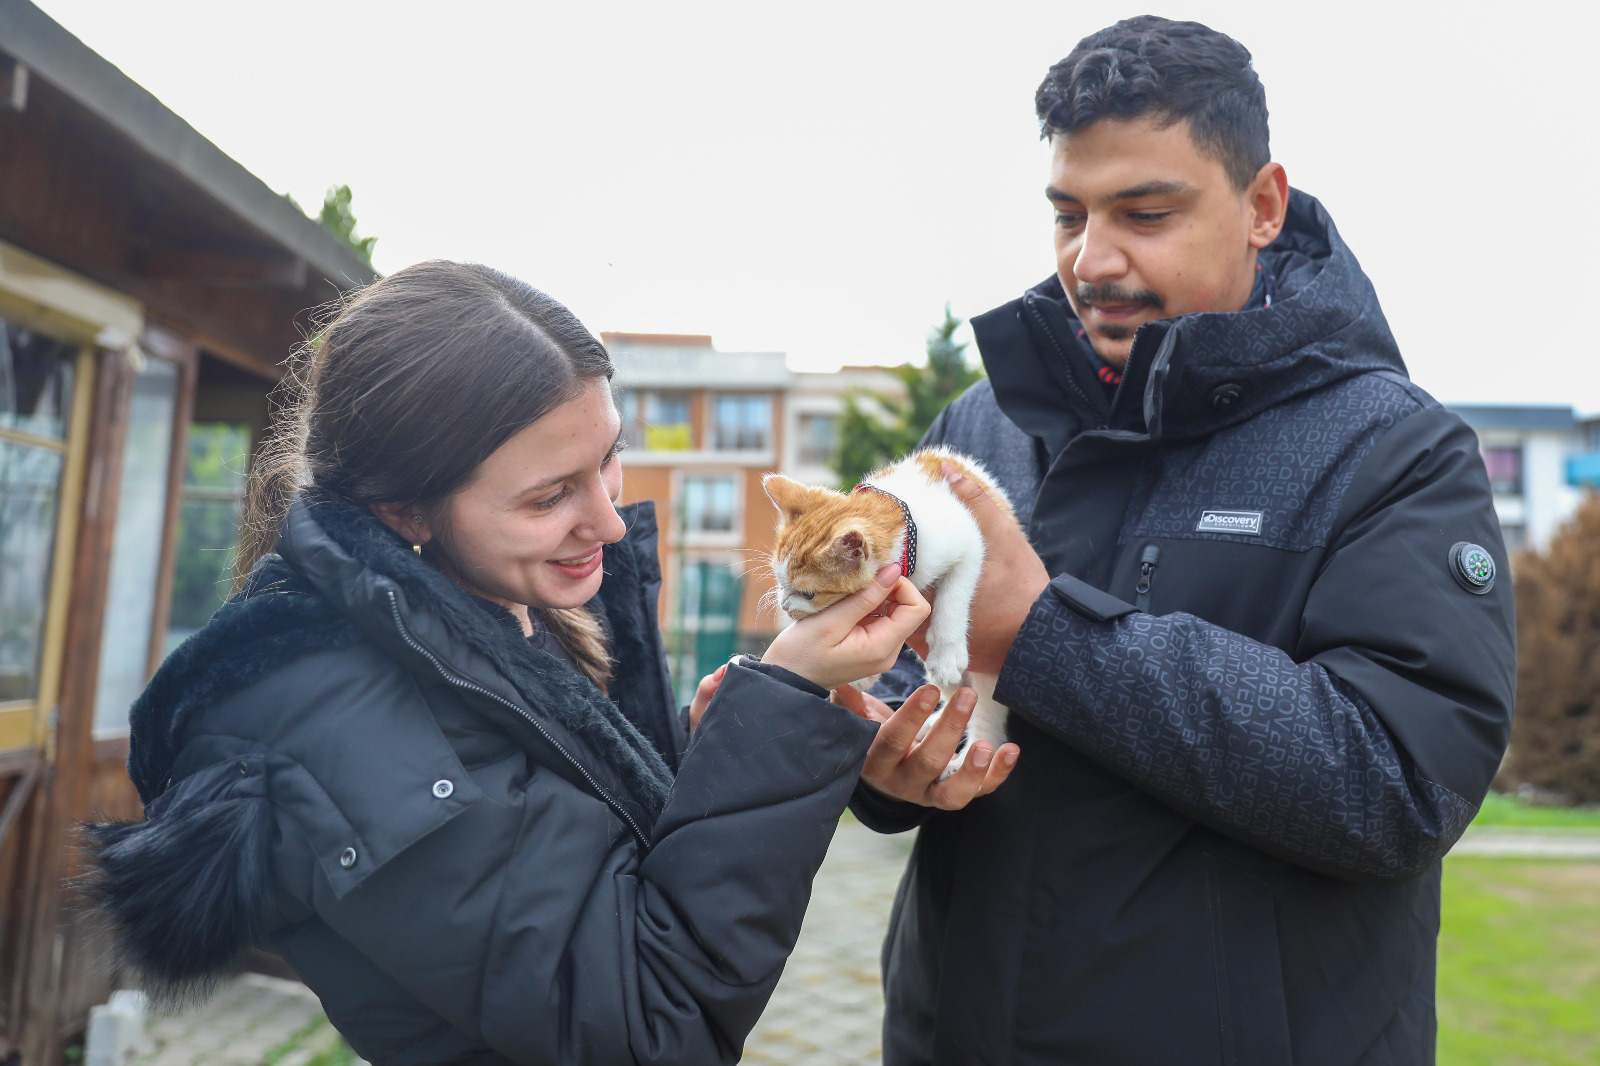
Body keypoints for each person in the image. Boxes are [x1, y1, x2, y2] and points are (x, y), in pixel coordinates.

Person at [81, 261, 1004, 1066]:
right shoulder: (336, 727)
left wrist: (722, 750)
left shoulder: (512, 606)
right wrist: (783, 701)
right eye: (549, 495)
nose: (608, 520)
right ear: (406, 511)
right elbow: (651, 1024)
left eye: (609, 462)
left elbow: (594, 878)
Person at [841, 17, 1516, 1066]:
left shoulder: (1395, 450)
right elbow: (892, 676)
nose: (1089, 258)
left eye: (1144, 213)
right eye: (1065, 213)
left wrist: (1049, 636)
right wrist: (879, 759)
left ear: (1261, 206)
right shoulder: (979, 430)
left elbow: (1395, 784)